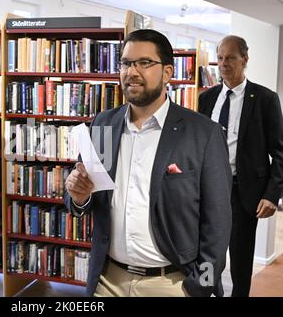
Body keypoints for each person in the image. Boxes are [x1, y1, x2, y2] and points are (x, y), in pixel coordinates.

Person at [64, 29, 232, 297]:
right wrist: (79, 195)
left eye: (144, 63)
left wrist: (201, 287)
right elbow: (79, 198)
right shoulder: (104, 125)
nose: (132, 72)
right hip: (107, 281)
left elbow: (219, 223)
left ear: (167, 72)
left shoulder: (203, 134)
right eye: (127, 63)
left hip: (171, 284)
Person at [198, 35, 283, 297]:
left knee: (240, 257)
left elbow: (280, 152)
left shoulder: (265, 99)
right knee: (206, 252)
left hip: (243, 192)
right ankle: (205, 291)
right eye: (220, 57)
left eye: (230, 57)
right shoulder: (206, 98)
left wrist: (272, 195)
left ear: (244, 59)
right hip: (208, 189)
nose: (224, 63)